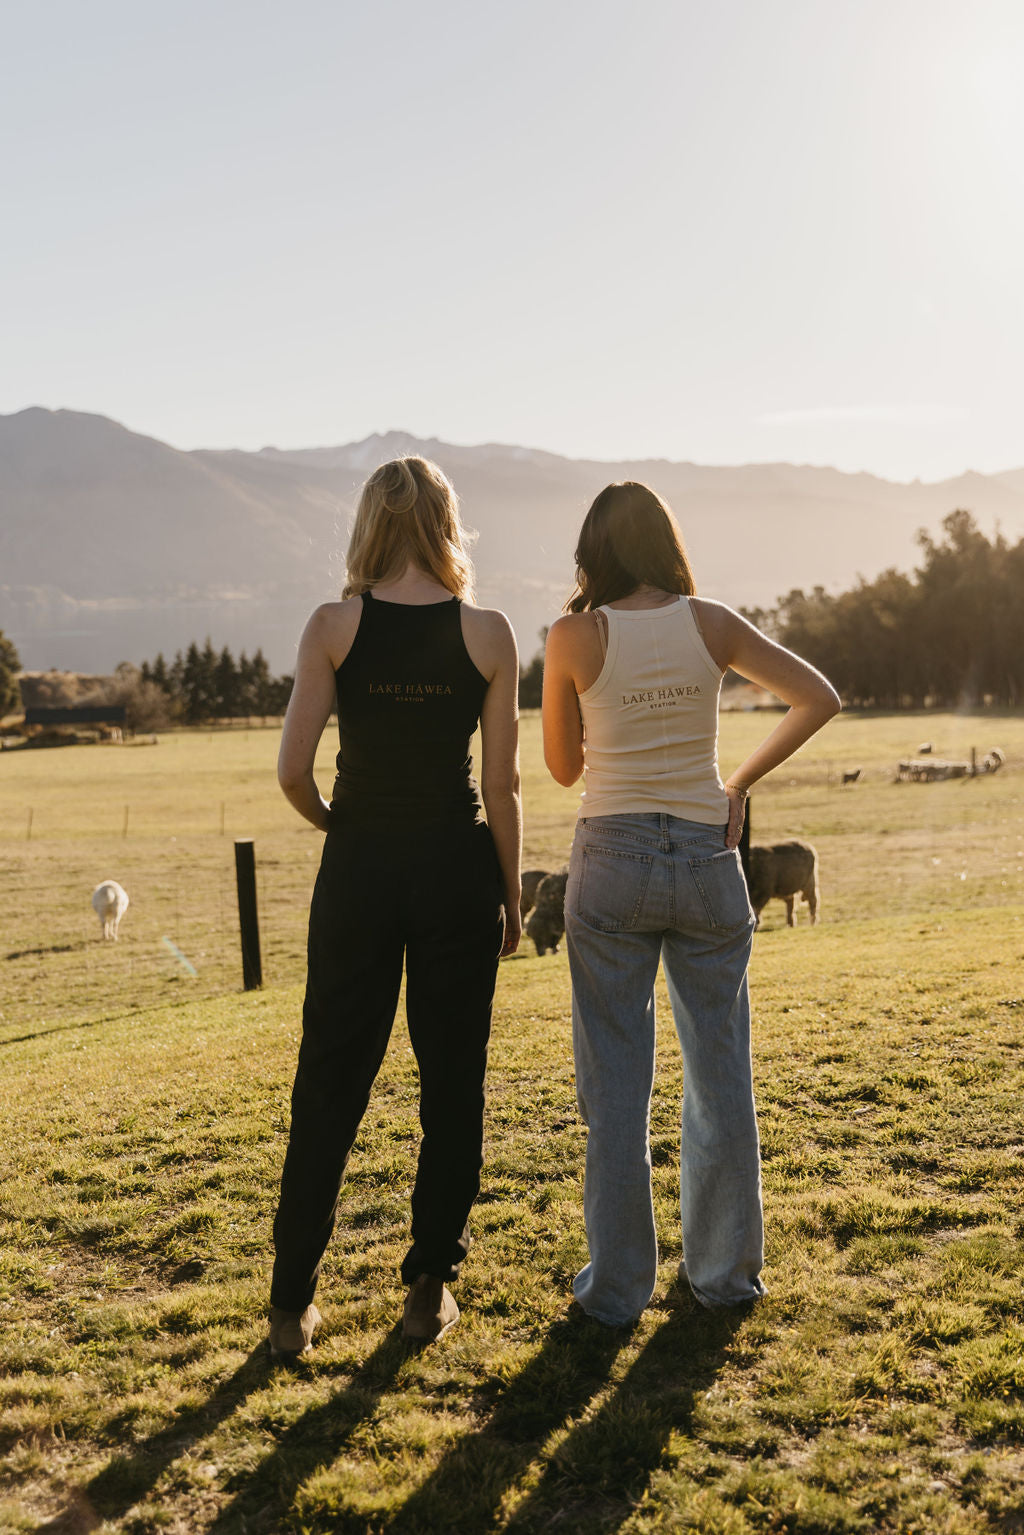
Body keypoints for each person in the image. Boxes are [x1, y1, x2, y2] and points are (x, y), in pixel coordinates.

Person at [542, 481, 840, 1326]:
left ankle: (614, 1293)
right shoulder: (710, 622)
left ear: (593, 549)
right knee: (720, 1076)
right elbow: (819, 695)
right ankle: (724, 1277)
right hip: (710, 860)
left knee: (615, 1086)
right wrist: (735, 781)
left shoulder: (574, 634)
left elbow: (564, 770)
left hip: (612, 860)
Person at [268, 456, 522, 1357]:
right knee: (452, 1083)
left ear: (369, 525)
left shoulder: (333, 625)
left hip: (360, 871)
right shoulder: (489, 633)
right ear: (446, 521)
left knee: (330, 1080)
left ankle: (291, 1308)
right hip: (458, 871)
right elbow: (502, 786)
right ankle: (426, 1291)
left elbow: (293, 770)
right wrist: (515, 899)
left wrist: (341, 822)